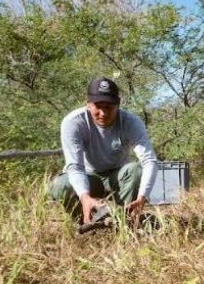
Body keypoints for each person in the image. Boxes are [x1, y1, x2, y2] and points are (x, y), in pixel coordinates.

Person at [48, 76, 158, 224]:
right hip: (88, 176)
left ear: (118, 104)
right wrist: (85, 197)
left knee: (136, 170)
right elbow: (75, 166)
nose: (103, 113)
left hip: (117, 177)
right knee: (60, 185)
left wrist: (142, 197)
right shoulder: (73, 122)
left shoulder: (131, 122)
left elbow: (149, 161)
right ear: (88, 104)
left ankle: (122, 220)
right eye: (98, 106)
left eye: (109, 107)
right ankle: (83, 221)